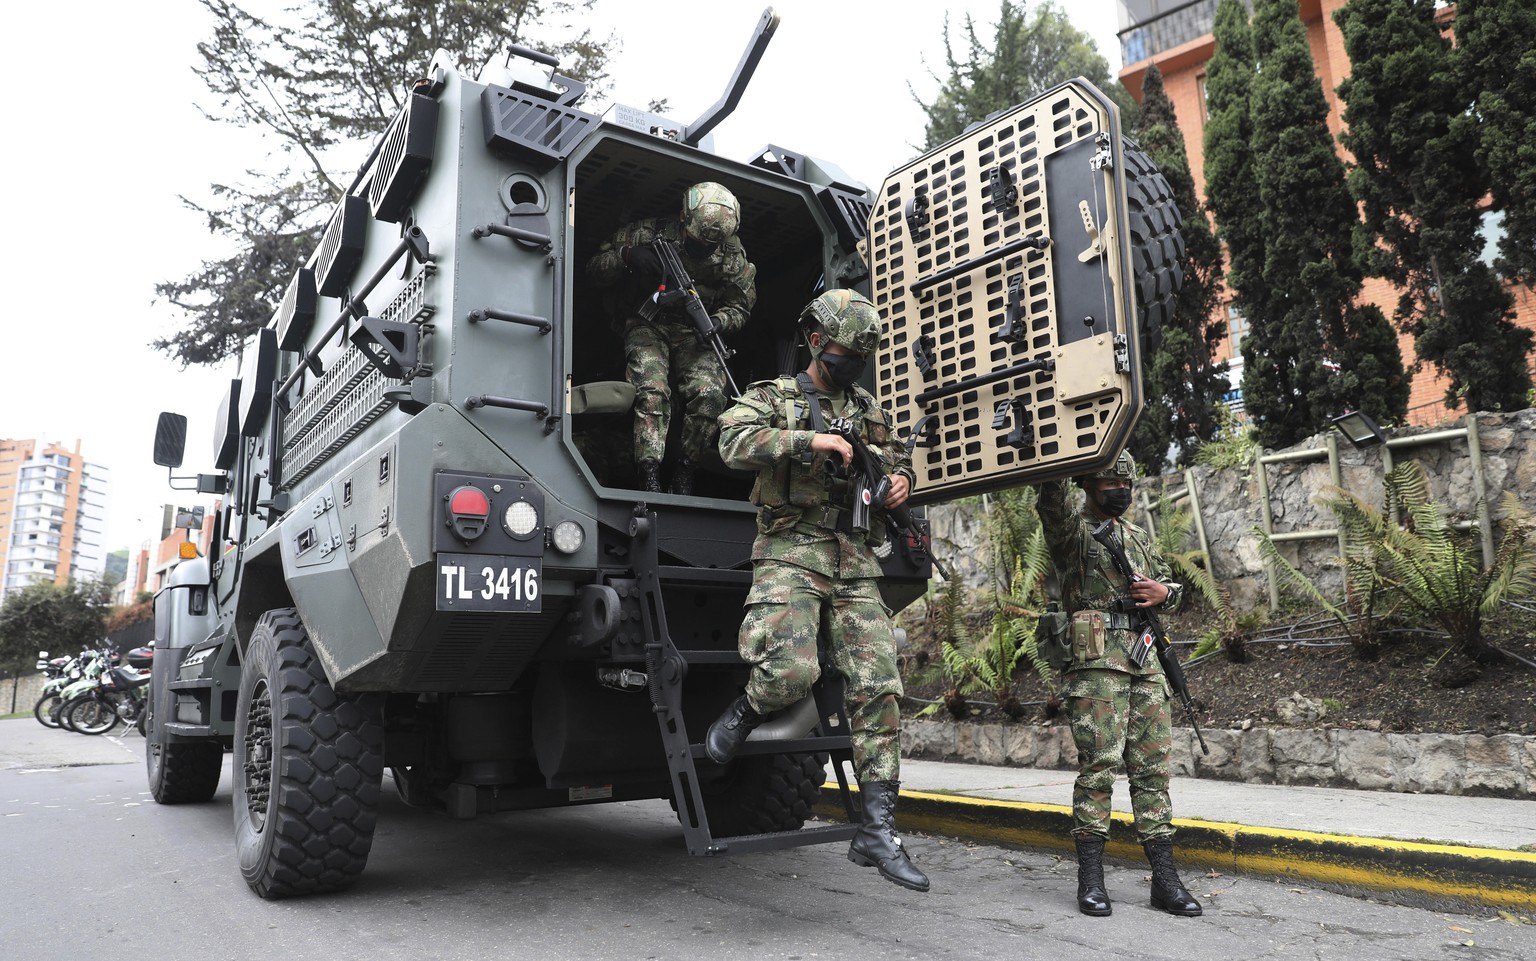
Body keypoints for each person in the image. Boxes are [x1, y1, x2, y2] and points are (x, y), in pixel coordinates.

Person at [703, 289, 929, 893]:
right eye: (844, 351)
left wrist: (899, 482)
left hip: (853, 555)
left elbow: (893, 460)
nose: (852, 362)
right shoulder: (774, 396)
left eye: (861, 354)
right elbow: (730, 441)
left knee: (880, 685)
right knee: (789, 674)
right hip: (790, 549)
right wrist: (810, 441)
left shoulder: (867, 408)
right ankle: (745, 711)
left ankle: (878, 831)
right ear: (815, 344)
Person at [1034, 450, 1202, 917]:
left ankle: (1165, 882)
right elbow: (1052, 503)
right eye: (1110, 484)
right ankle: (1091, 881)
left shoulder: (1139, 536)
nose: (1120, 492)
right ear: (1088, 484)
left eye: (1125, 484)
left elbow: (1172, 586)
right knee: (1100, 768)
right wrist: (1055, 457)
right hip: (1097, 663)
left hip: (1146, 661)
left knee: (1153, 773)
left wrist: (1164, 592)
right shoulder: (1073, 532)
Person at [585, 182, 757, 494]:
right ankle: (648, 474)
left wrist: (718, 321)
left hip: (694, 332)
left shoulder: (733, 257)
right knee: (652, 389)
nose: (703, 247)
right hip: (646, 322)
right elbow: (593, 270)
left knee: (710, 396)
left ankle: (686, 473)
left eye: (709, 246)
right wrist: (626, 256)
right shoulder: (647, 234)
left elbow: (740, 307)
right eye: (697, 240)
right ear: (682, 217)